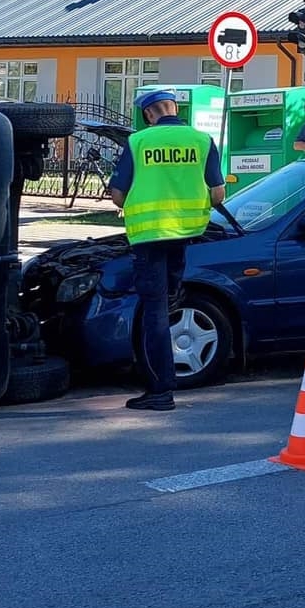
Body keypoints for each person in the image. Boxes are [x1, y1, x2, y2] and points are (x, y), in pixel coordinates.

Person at [109, 89, 225, 411]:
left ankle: (161, 391)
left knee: (154, 313)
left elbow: (118, 196)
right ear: (175, 108)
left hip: (148, 238)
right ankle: (172, 377)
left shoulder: (138, 142)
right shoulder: (202, 141)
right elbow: (217, 194)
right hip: (185, 234)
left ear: (148, 114)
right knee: (172, 299)